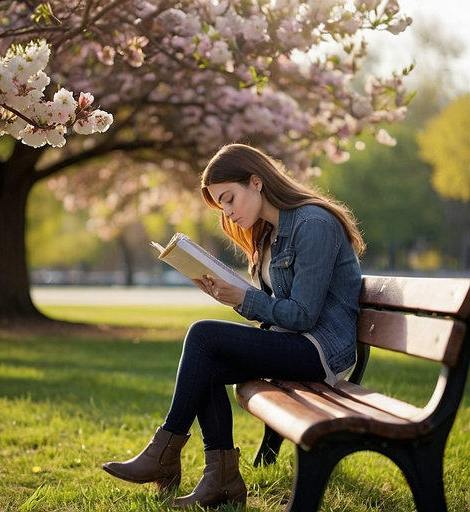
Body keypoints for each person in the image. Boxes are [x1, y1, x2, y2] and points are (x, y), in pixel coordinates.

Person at [102, 143, 365, 509]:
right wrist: (227, 295)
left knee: (203, 335)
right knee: (205, 361)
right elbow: (279, 310)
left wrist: (241, 298)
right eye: (220, 204)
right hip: (295, 344)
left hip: (319, 351)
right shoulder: (270, 233)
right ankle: (221, 479)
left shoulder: (313, 224)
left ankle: (164, 450)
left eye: (229, 199)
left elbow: (302, 315)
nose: (226, 212)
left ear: (256, 182)